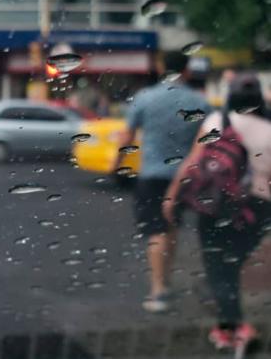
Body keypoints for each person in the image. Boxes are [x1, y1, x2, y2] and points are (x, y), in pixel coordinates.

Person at [163, 73, 271, 349]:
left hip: (216, 204)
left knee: (217, 268)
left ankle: (235, 329)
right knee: (231, 265)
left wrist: (171, 197)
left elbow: (192, 162)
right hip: (259, 208)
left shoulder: (216, 122)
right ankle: (229, 328)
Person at [112, 51, 211, 312]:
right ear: (188, 71)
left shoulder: (145, 98)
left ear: (160, 68)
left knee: (157, 231)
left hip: (152, 175)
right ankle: (165, 281)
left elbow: (127, 137)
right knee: (171, 228)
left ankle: (158, 290)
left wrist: (116, 166)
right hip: (187, 177)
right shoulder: (199, 101)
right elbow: (207, 143)